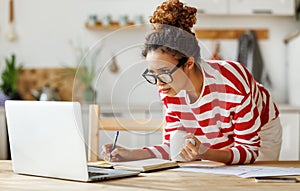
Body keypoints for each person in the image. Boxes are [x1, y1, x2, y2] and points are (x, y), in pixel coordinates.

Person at [101, 0, 282, 164]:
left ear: (188, 63)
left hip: (260, 134)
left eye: (164, 73)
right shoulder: (168, 90)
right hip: (214, 140)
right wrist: (132, 154)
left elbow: (248, 151)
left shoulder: (232, 84)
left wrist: (205, 153)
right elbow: (174, 148)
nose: (158, 84)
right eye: (152, 75)